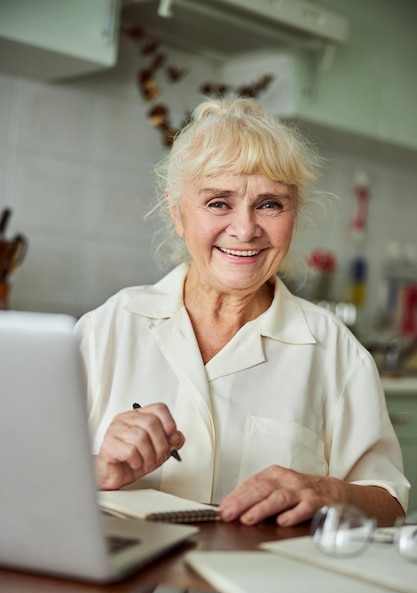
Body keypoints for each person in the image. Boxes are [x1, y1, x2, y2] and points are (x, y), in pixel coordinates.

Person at [75, 97, 409, 527]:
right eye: (218, 202)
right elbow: (23, 470)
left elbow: (390, 503)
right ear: (177, 212)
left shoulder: (334, 351)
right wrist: (98, 468)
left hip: (262, 588)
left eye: (270, 204)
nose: (245, 228)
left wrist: (327, 492)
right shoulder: (109, 327)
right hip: (124, 588)